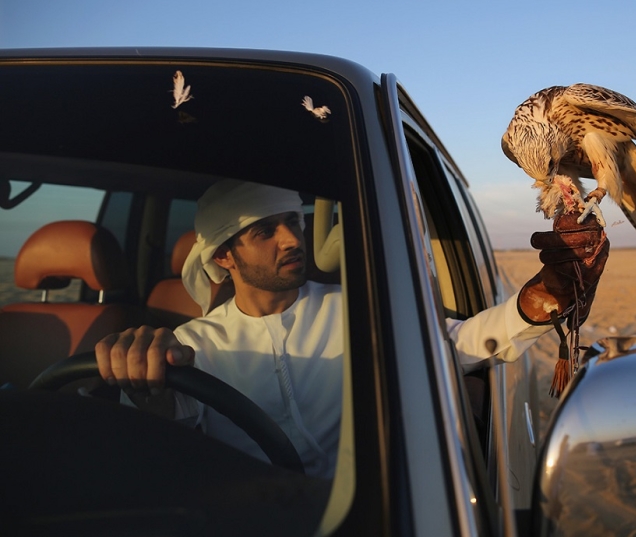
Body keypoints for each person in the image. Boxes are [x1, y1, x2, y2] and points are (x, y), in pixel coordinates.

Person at [95, 179, 608, 479]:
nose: (291, 239)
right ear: (225, 255)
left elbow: (451, 345)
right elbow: (166, 451)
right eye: (264, 231)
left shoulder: (356, 310)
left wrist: (537, 303)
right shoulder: (192, 347)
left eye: (293, 223)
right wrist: (144, 387)